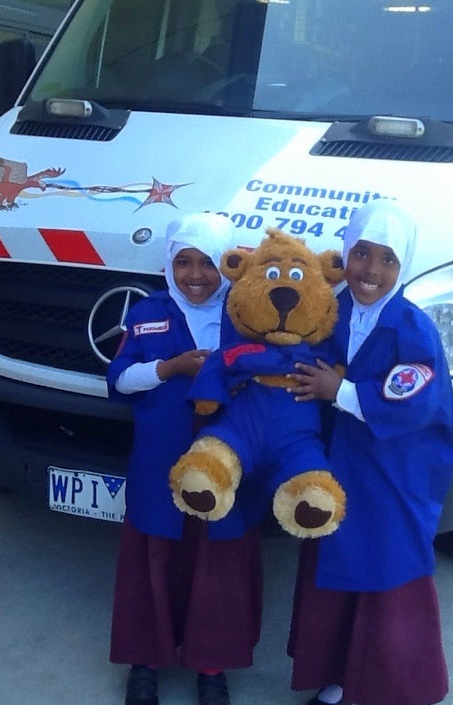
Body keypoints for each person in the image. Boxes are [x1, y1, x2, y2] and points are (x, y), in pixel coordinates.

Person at [286, 199, 453, 705]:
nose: (371, 271)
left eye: (387, 259)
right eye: (361, 253)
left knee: (386, 570)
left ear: (402, 266)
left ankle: (394, 685)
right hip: (343, 463)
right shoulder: (334, 310)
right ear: (345, 252)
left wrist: (340, 390)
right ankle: (341, 676)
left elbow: (417, 401)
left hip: (392, 470)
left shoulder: (410, 327)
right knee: (338, 565)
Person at [107, 213, 263, 705]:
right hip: (159, 458)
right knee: (153, 555)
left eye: (208, 264)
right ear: (168, 264)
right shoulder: (147, 313)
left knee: (215, 558)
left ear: (227, 267)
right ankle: (145, 661)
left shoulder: (244, 314)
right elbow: (119, 380)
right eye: (183, 262)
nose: (195, 275)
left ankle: (211, 664)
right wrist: (170, 367)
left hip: (225, 459)